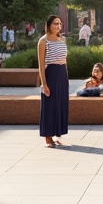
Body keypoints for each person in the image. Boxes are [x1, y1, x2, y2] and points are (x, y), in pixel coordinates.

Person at [37, 15, 69, 147]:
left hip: (62, 73)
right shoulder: (43, 41)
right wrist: (44, 84)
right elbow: (41, 64)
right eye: (55, 23)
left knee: (61, 105)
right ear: (49, 25)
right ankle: (48, 137)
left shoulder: (62, 39)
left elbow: (65, 60)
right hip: (51, 74)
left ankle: (57, 134)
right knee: (49, 105)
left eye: (60, 24)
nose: (58, 26)